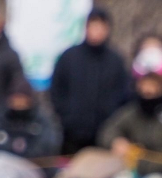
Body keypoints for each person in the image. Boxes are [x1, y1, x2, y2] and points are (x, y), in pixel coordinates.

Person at [49, 8, 132, 155]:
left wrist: (112, 121)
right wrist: (67, 117)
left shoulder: (116, 61)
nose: (97, 31)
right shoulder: (69, 57)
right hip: (72, 134)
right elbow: (57, 90)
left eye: (101, 27)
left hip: (104, 134)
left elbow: (123, 94)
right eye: (93, 26)